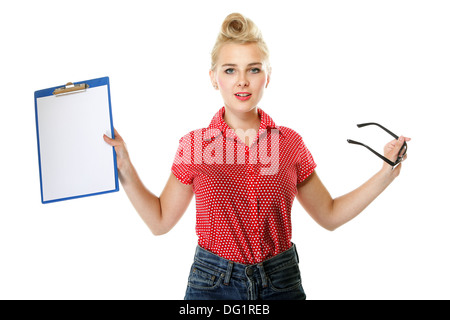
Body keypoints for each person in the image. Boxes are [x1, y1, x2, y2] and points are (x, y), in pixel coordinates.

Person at [103, 13, 410, 300]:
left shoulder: (289, 143)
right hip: (212, 286)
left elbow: (329, 215)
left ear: (267, 75)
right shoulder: (195, 145)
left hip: (281, 282)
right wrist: (126, 168)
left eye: (253, 69)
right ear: (213, 77)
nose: (242, 81)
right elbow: (159, 222)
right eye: (230, 70)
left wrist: (386, 172)